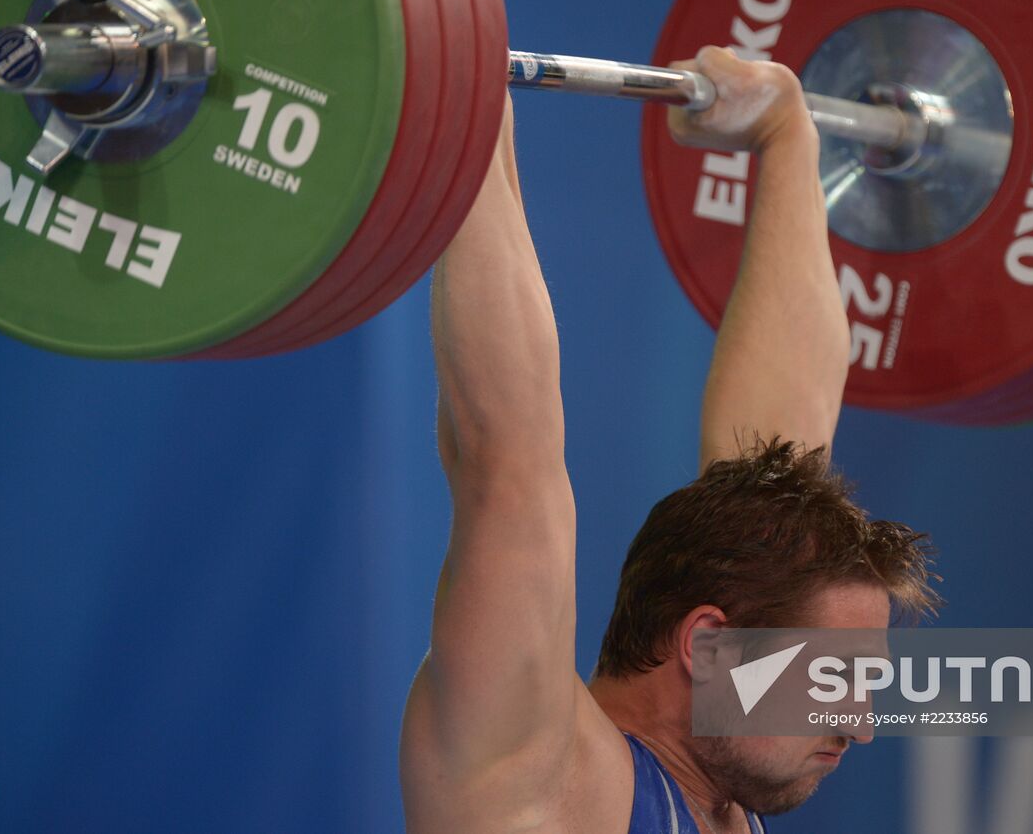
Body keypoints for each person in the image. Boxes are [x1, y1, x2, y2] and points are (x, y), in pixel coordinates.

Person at [400, 47, 938, 833]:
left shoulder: (724, 801)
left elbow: (781, 446)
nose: (858, 724)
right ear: (709, 644)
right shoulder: (539, 783)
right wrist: (464, 86)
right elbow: (507, 460)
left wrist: (788, 137)